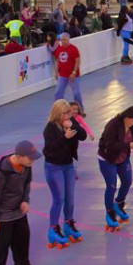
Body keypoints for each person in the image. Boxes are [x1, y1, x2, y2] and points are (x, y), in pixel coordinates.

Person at [42, 100, 87, 248]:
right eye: (65, 113)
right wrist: (64, 138)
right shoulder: (50, 128)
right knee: (59, 198)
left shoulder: (71, 121)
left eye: (69, 112)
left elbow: (83, 135)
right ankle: (53, 228)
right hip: (54, 167)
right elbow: (48, 150)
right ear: (57, 113)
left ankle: (69, 223)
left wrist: (73, 125)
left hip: (68, 166)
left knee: (70, 198)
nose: (68, 115)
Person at [98, 106, 133, 231]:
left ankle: (119, 203)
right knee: (111, 186)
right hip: (108, 159)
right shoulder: (113, 125)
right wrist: (128, 145)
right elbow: (110, 145)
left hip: (123, 157)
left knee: (127, 181)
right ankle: (110, 213)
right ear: (127, 116)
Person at [52, 35, 85, 114]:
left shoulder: (74, 49)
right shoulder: (58, 49)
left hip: (73, 75)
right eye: (61, 40)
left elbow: (77, 61)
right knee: (58, 93)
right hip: (62, 75)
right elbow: (57, 61)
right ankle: (58, 110)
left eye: (65, 40)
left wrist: (74, 72)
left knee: (76, 93)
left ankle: (80, 109)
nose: (63, 41)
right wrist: (56, 72)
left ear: (68, 39)